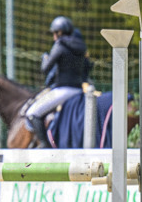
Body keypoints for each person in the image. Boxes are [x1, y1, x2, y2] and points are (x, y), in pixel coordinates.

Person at [24, 16, 92, 148]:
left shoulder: (60, 45)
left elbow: (45, 69)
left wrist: (45, 58)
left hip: (63, 90)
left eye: (54, 33)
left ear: (59, 32)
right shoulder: (80, 47)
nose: (53, 36)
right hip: (79, 89)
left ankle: (44, 144)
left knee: (32, 113)